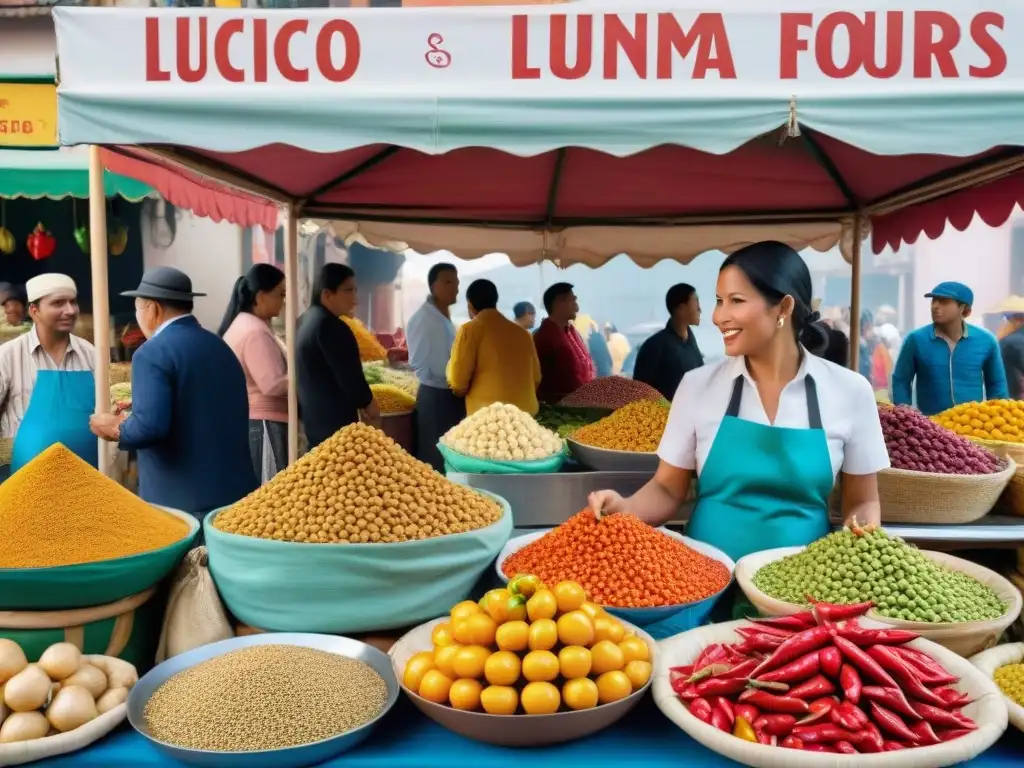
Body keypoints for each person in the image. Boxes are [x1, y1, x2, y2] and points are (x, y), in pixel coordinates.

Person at [589, 242, 887, 614]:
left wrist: (860, 541)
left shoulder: (849, 391)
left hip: (803, 597)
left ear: (784, 308)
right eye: (717, 301)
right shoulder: (697, 386)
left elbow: (862, 499)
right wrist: (626, 508)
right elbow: (668, 487)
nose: (718, 316)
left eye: (735, 300)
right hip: (703, 586)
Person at [89, 267, 256, 520]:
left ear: (153, 309)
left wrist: (114, 428)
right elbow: (201, 402)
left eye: (138, 309)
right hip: (236, 495)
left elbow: (150, 428)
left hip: (182, 504)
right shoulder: (219, 345)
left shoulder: (151, 353)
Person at [0, 275, 97, 480]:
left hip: (85, 481)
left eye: (73, 302)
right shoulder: (9, 355)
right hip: (25, 479)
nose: (70, 310)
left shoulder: (90, 354)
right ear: (34, 312)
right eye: (58, 303)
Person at [296, 264, 379, 449]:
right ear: (327, 294)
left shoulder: (304, 320)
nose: (355, 299)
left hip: (313, 421)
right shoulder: (331, 327)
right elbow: (350, 377)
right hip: (335, 428)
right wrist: (369, 403)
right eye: (348, 291)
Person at [892, 282, 1008, 416]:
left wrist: (997, 417)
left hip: (972, 426)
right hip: (930, 428)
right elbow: (901, 379)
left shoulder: (986, 340)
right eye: (934, 301)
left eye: (943, 301)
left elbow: (997, 384)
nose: (935, 306)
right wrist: (905, 413)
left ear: (963, 308)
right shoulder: (916, 340)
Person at [219, 264, 289, 483]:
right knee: (269, 493)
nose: (283, 300)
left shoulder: (246, 324)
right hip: (263, 423)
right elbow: (273, 384)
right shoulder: (255, 332)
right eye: (280, 294)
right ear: (260, 297)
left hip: (252, 421)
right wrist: (305, 376)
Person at [447, 279, 541, 415]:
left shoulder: (469, 331)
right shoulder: (523, 334)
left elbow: (458, 382)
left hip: (488, 419)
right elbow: (536, 377)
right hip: (524, 416)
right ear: (495, 301)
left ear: (469, 305)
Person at [407, 263, 464, 472]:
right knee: (434, 459)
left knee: (448, 456)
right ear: (433, 286)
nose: (455, 288)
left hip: (449, 395)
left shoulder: (444, 319)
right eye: (448, 282)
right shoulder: (423, 320)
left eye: (456, 283)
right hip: (435, 395)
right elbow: (420, 364)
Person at [633, 283, 704, 400]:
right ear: (681, 308)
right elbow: (640, 392)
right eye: (695, 302)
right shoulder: (654, 346)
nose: (699, 309)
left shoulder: (691, 342)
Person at [534, 283, 595, 402]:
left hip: (581, 403)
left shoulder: (571, 331)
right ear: (559, 304)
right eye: (572, 301)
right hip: (559, 406)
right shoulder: (544, 337)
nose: (577, 308)